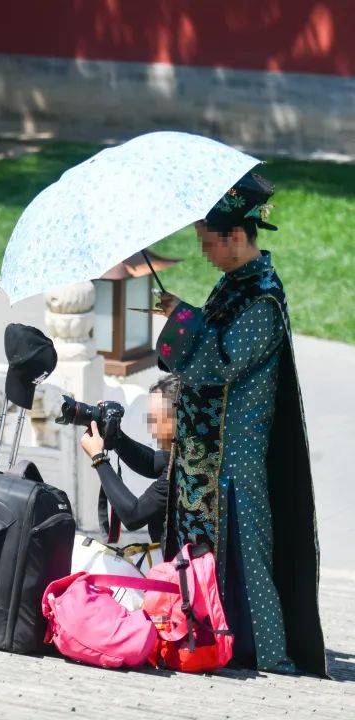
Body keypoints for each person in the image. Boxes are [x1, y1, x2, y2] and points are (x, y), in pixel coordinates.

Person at [151, 171, 326, 676]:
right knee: (205, 547)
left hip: (236, 451)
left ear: (234, 237)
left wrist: (182, 318)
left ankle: (265, 650)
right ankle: (204, 630)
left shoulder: (263, 298)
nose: (204, 253)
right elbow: (208, 337)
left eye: (209, 242)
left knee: (247, 551)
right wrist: (182, 314)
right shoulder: (234, 285)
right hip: (208, 448)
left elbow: (220, 361)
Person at [78, 375, 179, 544]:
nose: (151, 428)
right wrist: (114, 436)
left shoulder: (183, 469)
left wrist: (98, 458)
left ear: (180, 418)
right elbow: (152, 463)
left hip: (183, 560)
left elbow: (133, 516)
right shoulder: (188, 452)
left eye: (157, 419)